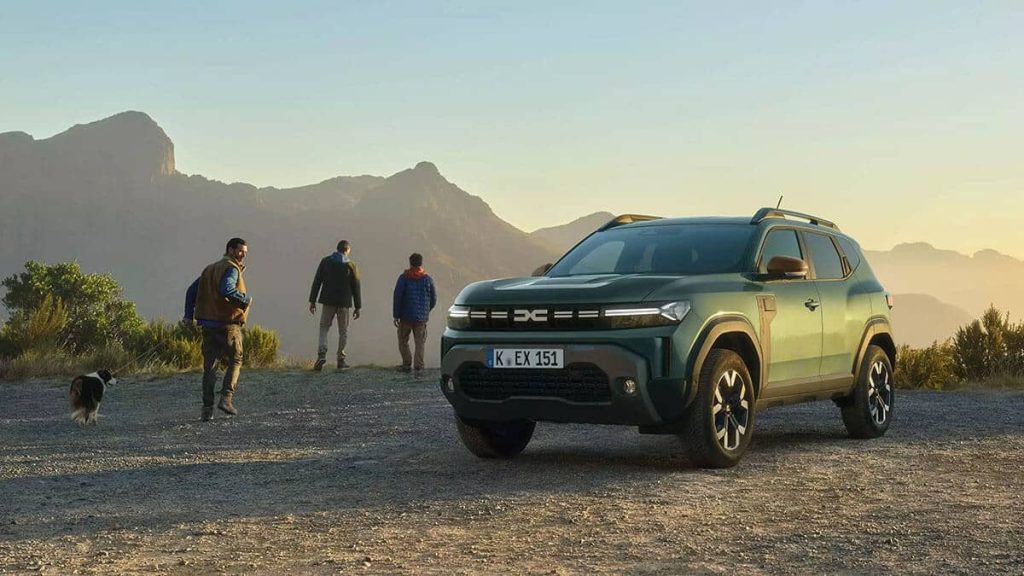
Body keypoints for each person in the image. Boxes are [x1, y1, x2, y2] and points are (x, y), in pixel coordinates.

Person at [183, 238, 252, 422]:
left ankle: (207, 410)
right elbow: (226, 289)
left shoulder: (209, 269)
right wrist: (244, 300)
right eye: (240, 251)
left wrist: (188, 316)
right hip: (227, 324)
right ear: (230, 249)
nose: (243, 255)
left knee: (210, 368)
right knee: (236, 359)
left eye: (245, 252)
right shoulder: (231, 268)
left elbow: (191, 291)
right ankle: (226, 399)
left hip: (207, 325)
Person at [309, 240, 362, 371]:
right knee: (343, 331)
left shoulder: (325, 262)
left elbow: (317, 281)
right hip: (344, 303)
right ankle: (341, 359)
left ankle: (321, 354)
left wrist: (312, 301)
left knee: (324, 328)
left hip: (328, 301)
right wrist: (358, 306)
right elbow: (356, 286)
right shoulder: (351, 265)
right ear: (347, 250)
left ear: (337, 249)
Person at [392, 253, 437, 373]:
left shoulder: (403, 278)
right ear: (421, 263)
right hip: (421, 319)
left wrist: (396, 315)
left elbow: (397, 296)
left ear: (410, 263)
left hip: (405, 317)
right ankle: (419, 365)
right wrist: (426, 311)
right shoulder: (428, 279)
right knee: (420, 343)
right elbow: (434, 299)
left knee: (403, 340)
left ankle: (407, 363)